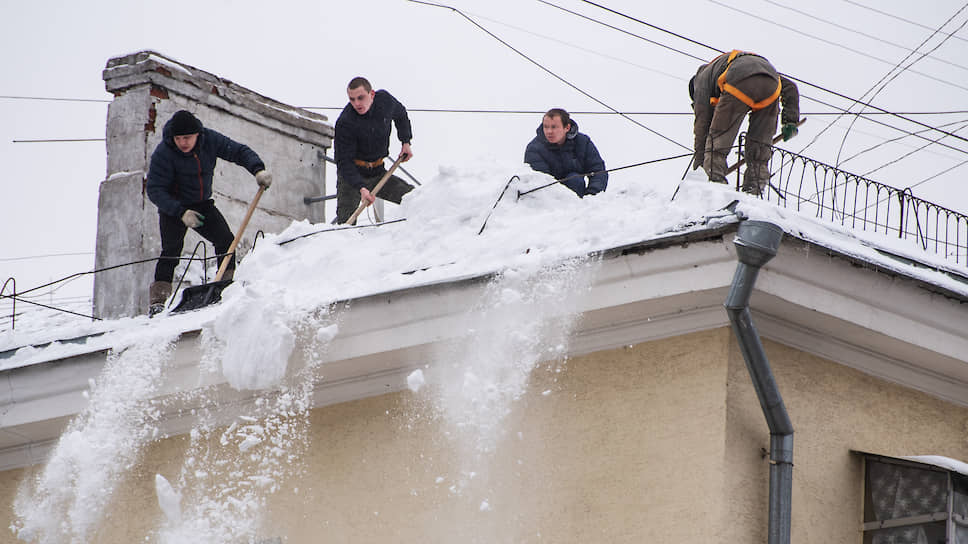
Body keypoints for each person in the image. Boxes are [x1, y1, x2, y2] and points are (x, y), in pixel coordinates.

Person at [145, 110, 272, 316]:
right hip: (174, 209)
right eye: (179, 138)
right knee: (171, 250)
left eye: (187, 138)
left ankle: (225, 284)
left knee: (225, 241)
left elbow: (238, 151)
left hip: (202, 205)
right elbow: (154, 189)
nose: (183, 143)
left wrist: (258, 169)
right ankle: (158, 301)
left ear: (197, 134)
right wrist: (180, 212)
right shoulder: (164, 153)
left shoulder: (209, 140)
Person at [689, 49, 800, 194]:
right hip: (771, 85)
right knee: (760, 146)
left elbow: (702, 129)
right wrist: (790, 121)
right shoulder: (730, 64)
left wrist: (698, 174)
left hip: (738, 81)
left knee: (718, 140)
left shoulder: (702, 81)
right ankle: (754, 190)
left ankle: (713, 184)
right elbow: (790, 87)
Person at [334, 77, 414, 224]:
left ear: (372, 94)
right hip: (352, 178)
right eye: (352, 99)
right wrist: (361, 187)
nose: (356, 103)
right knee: (346, 225)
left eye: (360, 98)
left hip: (378, 172)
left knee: (415, 199)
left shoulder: (385, 101)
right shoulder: (345, 122)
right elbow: (343, 161)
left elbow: (401, 114)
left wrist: (405, 141)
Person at [524, 108, 607, 198]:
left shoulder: (583, 142)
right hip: (549, 201)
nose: (549, 131)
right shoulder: (534, 149)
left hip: (578, 196)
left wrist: (592, 195)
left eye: (554, 127)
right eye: (546, 127)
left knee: (574, 179)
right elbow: (541, 183)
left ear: (567, 127)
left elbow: (598, 171)